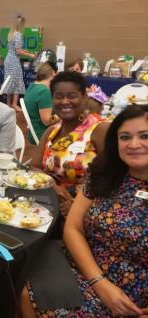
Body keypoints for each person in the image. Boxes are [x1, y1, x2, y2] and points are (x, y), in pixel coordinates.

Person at [20, 105, 148, 317]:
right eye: (125, 137)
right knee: (20, 280)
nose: (134, 144)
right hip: (82, 264)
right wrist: (99, 282)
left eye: (144, 136)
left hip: (131, 297)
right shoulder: (104, 175)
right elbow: (73, 227)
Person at [31, 71, 110, 217]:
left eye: (72, 96)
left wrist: (78, 204)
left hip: (88, 209)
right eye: (58, 97)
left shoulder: (98, 130)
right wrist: (54, 187)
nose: (65, 101)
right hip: (49, 204)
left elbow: (112, 177)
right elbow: (34, 166)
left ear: (84, 97)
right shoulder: (51, 131)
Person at [4, 15, 36, 112]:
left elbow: (15, 49)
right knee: (17, 80)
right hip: (14, 60)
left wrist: (26, 52)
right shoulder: (18, 35)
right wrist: (30, 55)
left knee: (10, 81)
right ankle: (14, 104)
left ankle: (8, 104)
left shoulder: (11, 34)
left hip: (8, 59)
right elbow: (17, 52)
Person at [24, 62, 59, 144]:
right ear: (53, 73)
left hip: (34, 132)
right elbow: (47, 121)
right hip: (42, 134)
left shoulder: (32, 86)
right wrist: (61, 116)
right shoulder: (44, 91)